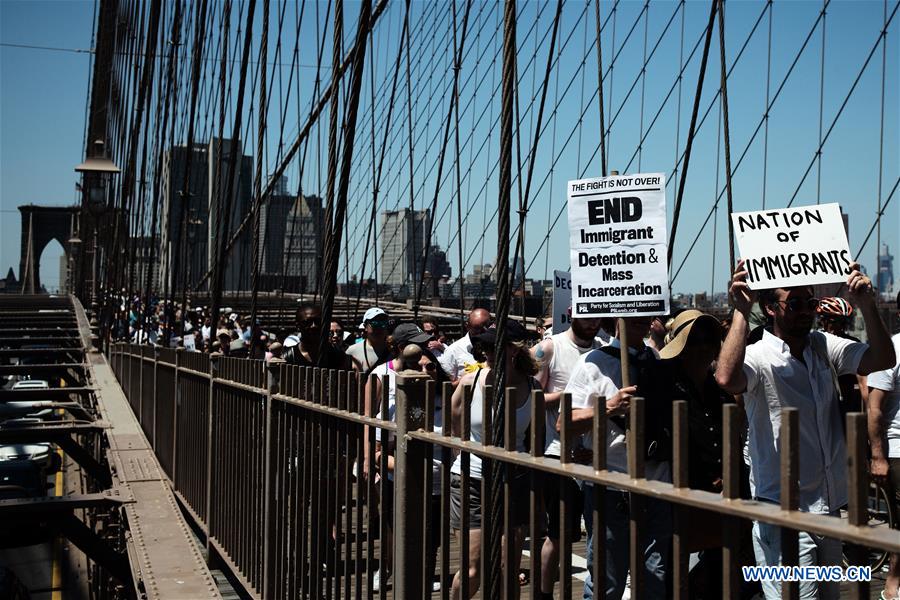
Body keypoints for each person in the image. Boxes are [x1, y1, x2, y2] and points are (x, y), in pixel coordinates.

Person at [716, 260, 895, 600]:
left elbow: (882, 359)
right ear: (769, 308)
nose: (805, 312)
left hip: (827, 509)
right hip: (781, 510)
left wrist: (867, 305)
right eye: (794, 304)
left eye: (809, 303)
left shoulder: (823, 346)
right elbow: (726, 378)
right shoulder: (758, 356)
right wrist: (741, 311)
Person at [562, 316, 673, 600]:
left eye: (645, 314)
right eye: (633, 314)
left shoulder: (656, 360)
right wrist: (609, 408)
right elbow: (565, 422)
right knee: (606, 581)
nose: (641, 320)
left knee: (654, 578)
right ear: (617, 319)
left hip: (656, 486)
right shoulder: (593, 363)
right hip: (612, 488)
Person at [449, 321, 538, 599]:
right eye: (484, 346)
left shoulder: (532, 387)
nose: (486, 352)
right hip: (472, 479)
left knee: (506, 567)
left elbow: (535, 440)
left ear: (514, 350)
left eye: (493, 346)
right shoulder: (470, 382)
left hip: (515, 480)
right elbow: (456, 429)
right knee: (473, 567)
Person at [366, 324, 447, 592]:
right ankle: (388, 568)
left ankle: (423, 572)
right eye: (416, 344)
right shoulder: (381, 375)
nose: (423, 348)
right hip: (392, 462)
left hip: (429, 467)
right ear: (401, 348)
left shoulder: (430, 376)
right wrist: (369, 458)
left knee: (428, 527)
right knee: (392, 524)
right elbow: (369, 419)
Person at [531, 313, 604, 599]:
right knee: (560, 533)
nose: (592, 323)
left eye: (597, 319)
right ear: (572, 315)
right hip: (558, 454)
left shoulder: (603, 349)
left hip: (596, 455)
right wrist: (568, 396)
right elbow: (533, 397)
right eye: (587, 318)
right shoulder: (550, 347)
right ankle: (544, 592)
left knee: (598, 531)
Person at [867, 290, 900, 600]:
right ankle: (893, 584)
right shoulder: (893, 351)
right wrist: (878, 456)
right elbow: (874, 407)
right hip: (899, 448)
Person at [817, 297, 868, 421]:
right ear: (822, 320)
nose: (839, 327)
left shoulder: (852, 343)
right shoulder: (813, 342)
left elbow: (863, 381)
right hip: (820, 407)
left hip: (847, 408)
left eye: (843, 322)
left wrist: (869, 413)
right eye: (834, 321)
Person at [282, 303, 350, 370]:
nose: (313, 326)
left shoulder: (337, 356)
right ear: (298, 326)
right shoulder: (288, 357)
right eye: (308, 322)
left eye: (318, 321)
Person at [439, 308, 492, 384]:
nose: (483, 334)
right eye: (477, 329)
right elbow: (447, 385)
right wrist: (471, 377)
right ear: (467, 326)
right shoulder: (453, 350)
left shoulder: (499, 347)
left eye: (487, 327)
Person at [347, 307, 391, 375]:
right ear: (365, 326)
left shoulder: (394, 350)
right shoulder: (351, 351)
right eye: (375, 323)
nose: (379, 328)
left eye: (383, 323)